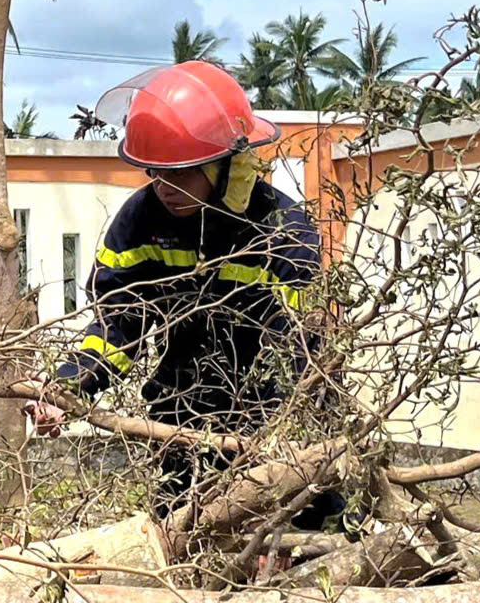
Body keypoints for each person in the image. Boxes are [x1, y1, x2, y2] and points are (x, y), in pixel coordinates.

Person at [30, 60, 321, 512]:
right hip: (181, 418)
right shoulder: (139, 223)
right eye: (155, 172)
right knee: (180, 532)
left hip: (275, 424)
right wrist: (68, 389)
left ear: (226, 164)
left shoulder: (283, 229)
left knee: (308, 529)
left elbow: (303, 347)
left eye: (180, 172)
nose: (164, 186)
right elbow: (118, 324)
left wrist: (275, 434)